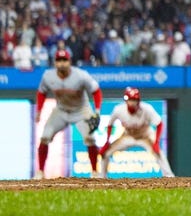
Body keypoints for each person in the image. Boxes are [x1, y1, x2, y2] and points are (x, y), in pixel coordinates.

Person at [34, 47, 102, 179]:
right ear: (54, 63)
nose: (61, 63)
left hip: (81, 110)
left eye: (64, 60)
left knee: (90, 139)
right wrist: (39, 110)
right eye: (59, 60)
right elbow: (41, 92)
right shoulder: (48, 76)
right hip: (61, 110)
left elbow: (96, 91)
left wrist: (97, 111)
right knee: (44, 137)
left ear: (69, 61)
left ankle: (95, 172)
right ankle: (40, 172)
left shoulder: (81, 75)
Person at [99, 87, 175, 177]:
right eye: (129, 99)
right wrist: (107, 142)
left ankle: (169, 176)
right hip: (128, 135)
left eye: (134, 100)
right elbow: (110, 125)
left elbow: (159, 124)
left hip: (145, 135)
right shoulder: (119, 109)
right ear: (125, 100)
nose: (131, 102)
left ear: (138, 101)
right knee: (105, 153)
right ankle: (102, 177)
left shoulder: (147, 109)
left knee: (158, 153)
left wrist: (156, 143)